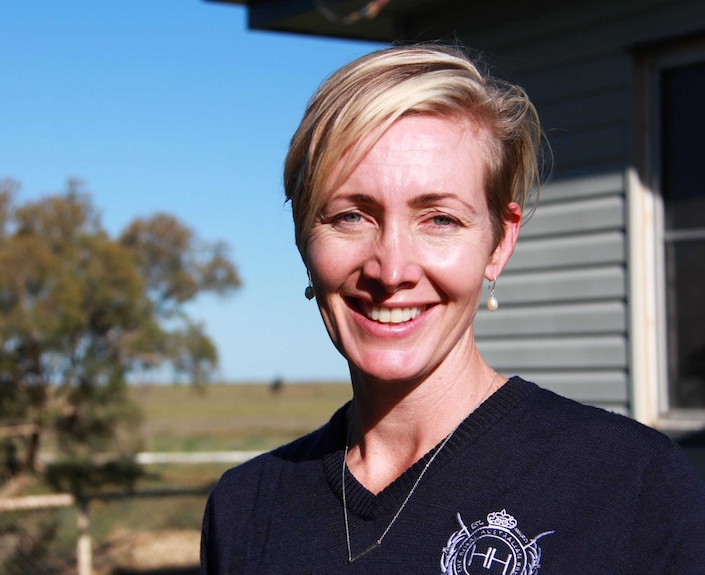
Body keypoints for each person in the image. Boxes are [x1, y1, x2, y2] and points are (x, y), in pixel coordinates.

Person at [200, 44, 705, 574]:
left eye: (440, 219)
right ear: (305, 239)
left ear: (499, 243)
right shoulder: (248, 508)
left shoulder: (632, 487)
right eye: (351, 216)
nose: (391, 270)